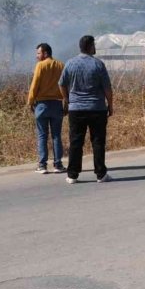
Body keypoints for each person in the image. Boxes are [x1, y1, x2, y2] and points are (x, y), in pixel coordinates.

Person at [59, 34, 114, 184]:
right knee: (98, 141)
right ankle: (101, 174)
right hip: (97, 108)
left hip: (76, 109)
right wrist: (110, 105)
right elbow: (107, 88)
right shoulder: (98, 64)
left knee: (76, 141)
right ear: (90, 47)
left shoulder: (70, 64)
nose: (95, 47)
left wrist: (67, 99)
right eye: (94, 45)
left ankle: (72, 175)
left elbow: (62, 84)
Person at [26, 42, 66, 174]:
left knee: (42, 135)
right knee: (56, 135)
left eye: (38, 53)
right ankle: (58, 164)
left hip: (42, 105)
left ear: (45, 53)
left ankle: (42, 165)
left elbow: (34, 85)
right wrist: (66, 102)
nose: (37, 56)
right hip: (57, 104)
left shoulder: (40, 66)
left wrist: (30, 101)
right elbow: (65, 85)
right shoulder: (60, 65)